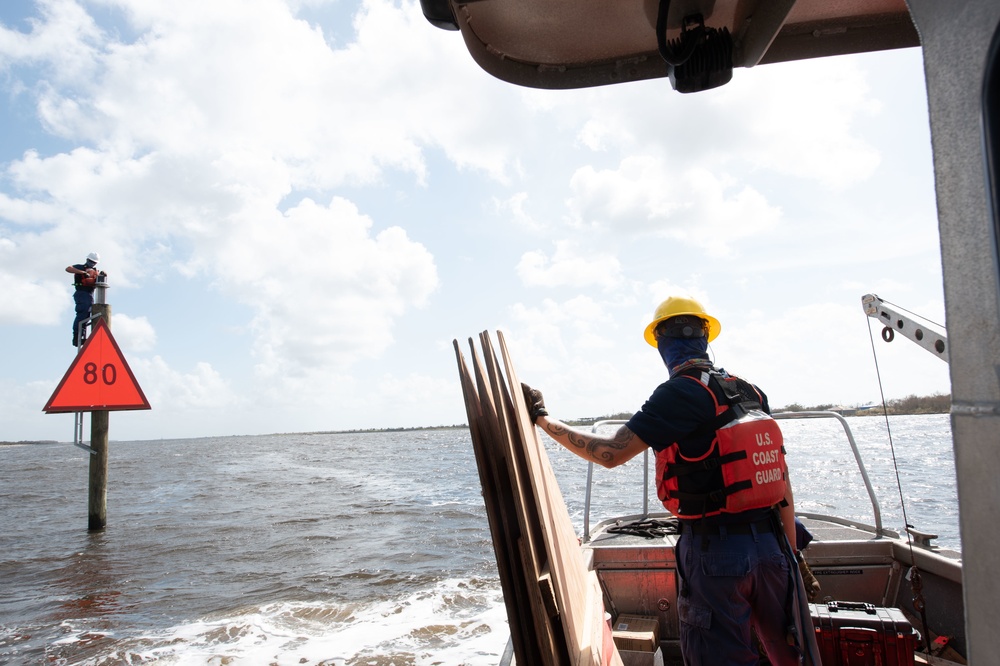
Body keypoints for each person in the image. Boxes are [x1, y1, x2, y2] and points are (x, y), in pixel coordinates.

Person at [521, 296, 813, 666]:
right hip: (773, 549)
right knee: (787, 651)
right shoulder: (750, 391)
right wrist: (791, 553)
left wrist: (544, 420)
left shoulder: (679, 392)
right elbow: (780, 480)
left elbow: (609, 453)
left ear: (660, 343)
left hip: (716, 553)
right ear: (706, 337)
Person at [65, 251, 103, 347]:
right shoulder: (80, 267)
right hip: (82, 293)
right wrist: (82, 272)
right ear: (87, 260)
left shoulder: (96, 272)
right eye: (91, 261)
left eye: (94, 262)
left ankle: (82, 336)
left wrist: (103, 275)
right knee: (83, 313)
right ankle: (77, 337)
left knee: (87, 314)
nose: (92, 263)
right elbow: (68, 268)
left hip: (90, 295)